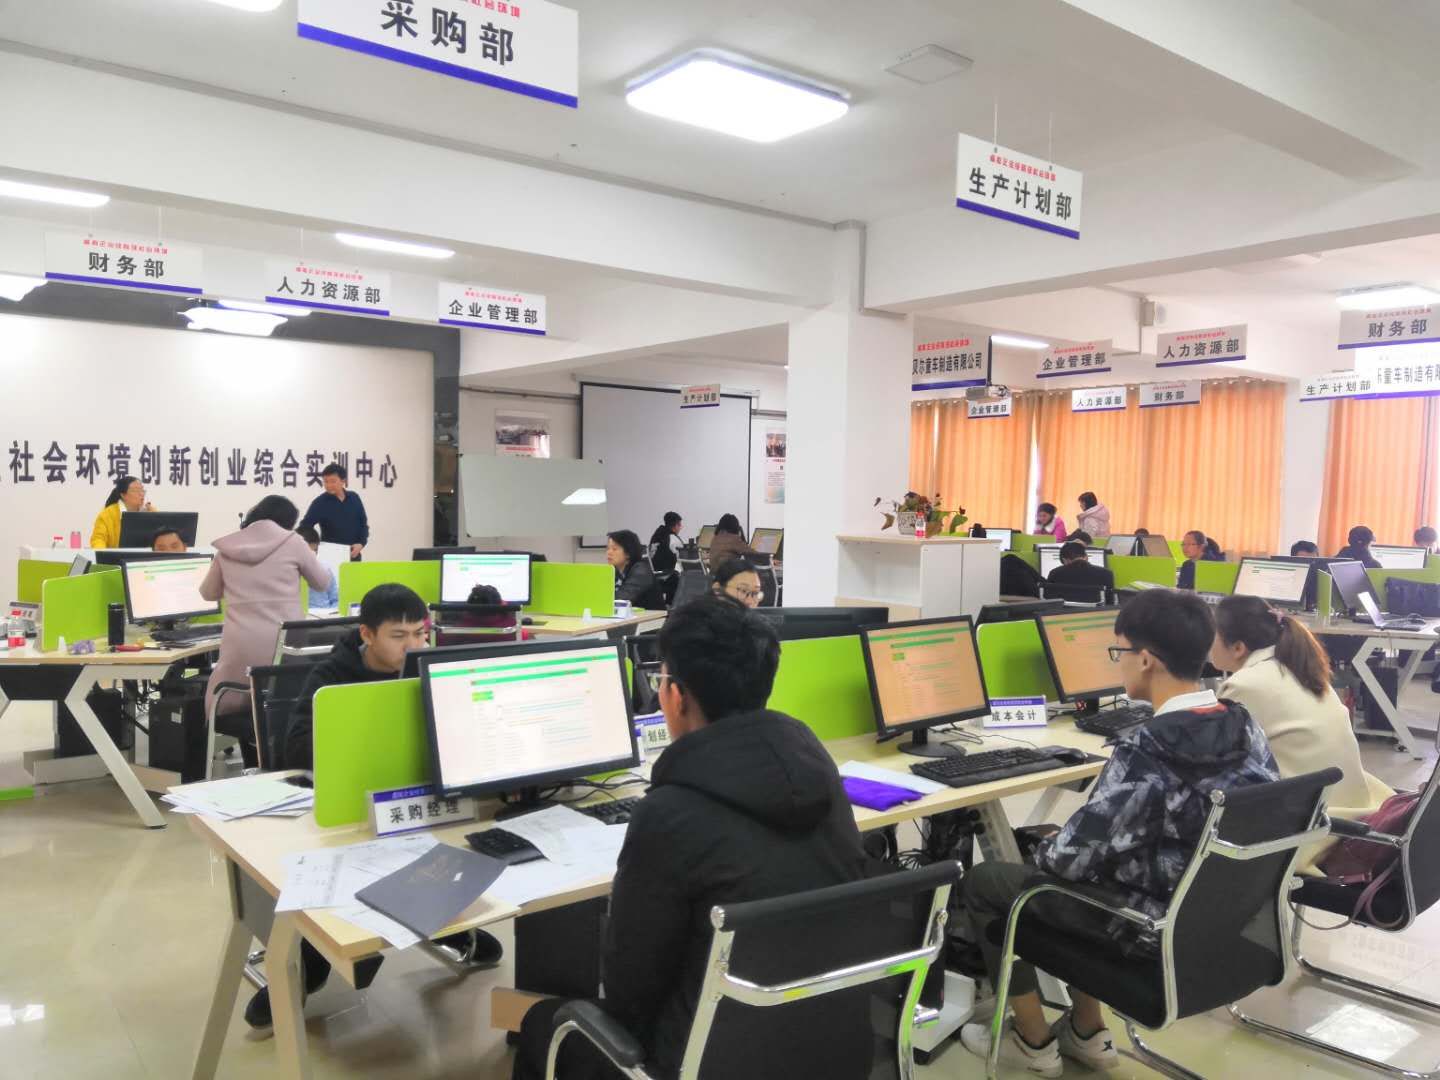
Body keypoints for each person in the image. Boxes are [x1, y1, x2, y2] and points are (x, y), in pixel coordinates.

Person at [512, 597, 873, 1080]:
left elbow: (629, 994)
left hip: (708, 1061)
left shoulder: (668, 813)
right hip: (832, 1042)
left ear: (676, 696)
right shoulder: (819, 771)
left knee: (544, 1023)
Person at [959, 589, 1278, 1075]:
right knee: (1090, 860)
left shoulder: (1147, 749)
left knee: (987, 881)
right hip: (1215, 919)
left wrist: (1041, 845)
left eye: (1120, 651)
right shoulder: (1243, 723)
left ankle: (1032, 1040)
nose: (1118, 663)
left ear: (1146, 659)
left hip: (1146, 928)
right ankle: (1087, 1032)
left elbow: (1066, 861)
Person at [247, 585, 501, 1030]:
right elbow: (297, 748)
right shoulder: (331, 676)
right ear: (366, 634)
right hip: (349, 804)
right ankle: (307, 967)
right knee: (332, 872)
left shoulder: (428, 666)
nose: (413, 645)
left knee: (465, 847)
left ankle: (448, 923)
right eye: (399, 636)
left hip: (419, 797)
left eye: (420, 633)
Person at [1210, 595, 1391, 837]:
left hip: (1315, 829)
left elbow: (1215, 761)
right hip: (1354, 811)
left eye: (1213, 635)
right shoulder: (1297, 667)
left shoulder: (1245, 685)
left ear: (1238, 648)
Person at [199, 496, 333, 766]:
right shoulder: (294, 542)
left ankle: (251, 758)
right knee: (287, 686)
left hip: (239, 661)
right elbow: (322, 582)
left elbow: (208, 593)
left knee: (231, 685)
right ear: (288, 523)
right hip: (286, 652)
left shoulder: (227, 549)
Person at [299, 463, 369, 561]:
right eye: (326, 481)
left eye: (333, 481)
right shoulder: (319, 503)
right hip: (330, 556)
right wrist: (314, 547)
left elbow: (363, 524)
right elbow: (304, 527)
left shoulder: (354, 498)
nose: (329, 485)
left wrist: (361, 543)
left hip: (353, 554)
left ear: (343, 481)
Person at [89, 475, 155, 549]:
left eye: (142, 490)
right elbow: (98, 539)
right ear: (123, 495)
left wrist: (154, 514)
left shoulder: (149, 512)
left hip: (143, 556)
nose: (141, 494)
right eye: (136, 490)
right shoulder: (108, 514)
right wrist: (104, 554)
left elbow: (160, 538)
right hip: (115, 556)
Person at [607, 529, 663, 608]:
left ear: (628, 553)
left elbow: (622, 598)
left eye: (614, 549)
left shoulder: (641, 571)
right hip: (629, 614)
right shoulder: (614, 571)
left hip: (653, 615)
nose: (609, 552)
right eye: (608, 548)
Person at [296, 525, 340, 610]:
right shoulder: (289, 572)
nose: (313, 554)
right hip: (298, 615)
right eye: (308, 551)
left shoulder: (325, 569)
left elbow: (335, 600)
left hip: (324, 614)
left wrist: (331, 613)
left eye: (316, 550)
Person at [1045, 540, 1114, 592]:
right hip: (1095, 607)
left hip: (1064, 607)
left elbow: (1049, 600)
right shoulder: (1106, 574)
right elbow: (1110, 601)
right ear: (1086, 557)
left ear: (1064, 560)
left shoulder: (1055, 573)